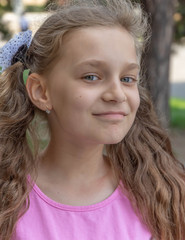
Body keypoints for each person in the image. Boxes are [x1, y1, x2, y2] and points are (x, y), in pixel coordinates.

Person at [0, 0, 184, 239]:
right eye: (91, 76)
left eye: (128, 79)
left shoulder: (164, 194)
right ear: (41, 91)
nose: (117, 94)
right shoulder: (8, 205)